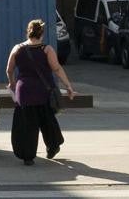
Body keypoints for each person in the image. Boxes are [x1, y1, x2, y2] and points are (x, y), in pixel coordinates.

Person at [5, 18, 76, 165]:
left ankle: (28, 156)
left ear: (28, 32)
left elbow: (9, 69)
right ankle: (53, 146)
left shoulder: (17, 49)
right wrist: (68, 86)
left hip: (24, 92)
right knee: (47, 120)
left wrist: (12, 83)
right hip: (43, 91)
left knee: (27, 124)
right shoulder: (47, 49)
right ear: (41, 33)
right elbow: (57, 69)